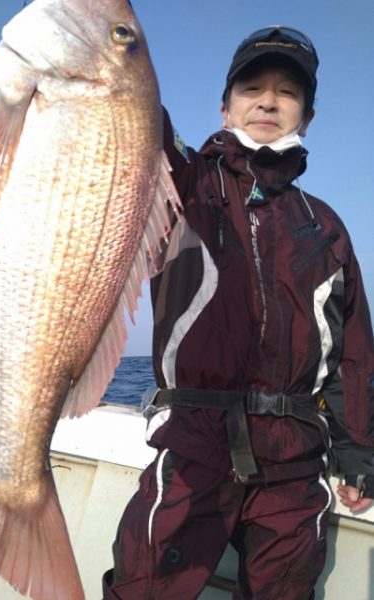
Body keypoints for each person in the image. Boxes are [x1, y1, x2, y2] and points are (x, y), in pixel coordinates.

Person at [103, 25, 374, 599]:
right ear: (224, 106)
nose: (268, 101)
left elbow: (352, 351)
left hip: (296, 457)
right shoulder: (183, 182)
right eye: (252, 87)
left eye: (287, 92)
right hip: (193, 443)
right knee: (144, 586)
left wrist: (358, 451)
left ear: (307, 115)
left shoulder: (325, 226)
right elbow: (134, 115)